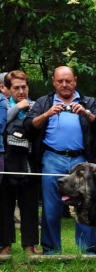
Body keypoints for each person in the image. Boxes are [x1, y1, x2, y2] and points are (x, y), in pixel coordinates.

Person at [23, 66, 96, 254]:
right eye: (60, 81)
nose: (64, 85)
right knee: (51, 207)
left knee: (85, 205)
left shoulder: (87, 101)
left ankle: (87, 250)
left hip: (81, 160)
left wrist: (85, 113)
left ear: (75, 80)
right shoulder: (44, 102)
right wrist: (47, 114)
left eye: (68, 81)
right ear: (53, 81)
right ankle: (51, 250)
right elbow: (28, 125)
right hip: (52, 157)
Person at [0, 70, 41, 255]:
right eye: (16, 88)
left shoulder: (36, 106)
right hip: (7, 162)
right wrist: (17, 108)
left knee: (30, 206)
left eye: (24, 87)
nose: (21, 91)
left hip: (29, 162)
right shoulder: (3, 106)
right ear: (8, 89)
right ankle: (5, 245)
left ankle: (30, 245)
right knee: (4, 206)